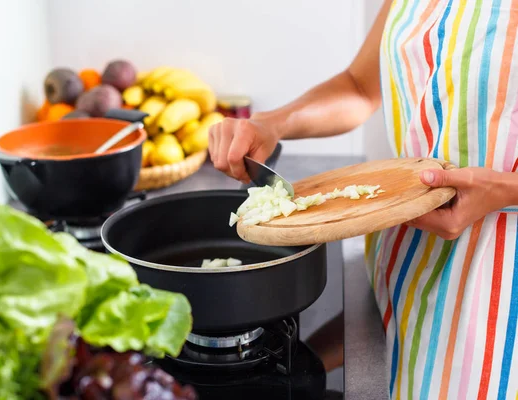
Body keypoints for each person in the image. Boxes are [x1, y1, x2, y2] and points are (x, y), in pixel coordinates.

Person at [208, 1, 518, 399]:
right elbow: (359, 87)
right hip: (404, 263)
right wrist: (271, 123)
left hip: (495, 294)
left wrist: (504, 190)